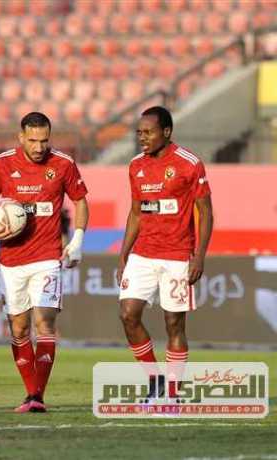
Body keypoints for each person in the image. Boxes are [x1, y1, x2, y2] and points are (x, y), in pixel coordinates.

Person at [0, 112, 89, 413]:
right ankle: (31, 392)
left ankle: (37, 396)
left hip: (47, 258)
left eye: (44, 140)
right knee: (19, 327)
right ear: (21, 137)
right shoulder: (2, 164)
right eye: (33, 140)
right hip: (11, 260)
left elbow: (80, 200)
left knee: (45, 321)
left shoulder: (63, 164)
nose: (39, 147)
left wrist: (77, 240)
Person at [116, 106, 213, 397]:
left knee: (174, 324)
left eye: (148, 132)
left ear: (166, 132)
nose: (142, 138)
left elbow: (206, 213)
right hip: (143, 254)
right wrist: (124, 254)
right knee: (128, 314)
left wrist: (199, 256)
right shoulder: (135, 165)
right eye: (139, 132)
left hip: (178, 256)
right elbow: (136, 213)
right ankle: (154, 380)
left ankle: (171, 392)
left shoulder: (189, 163)